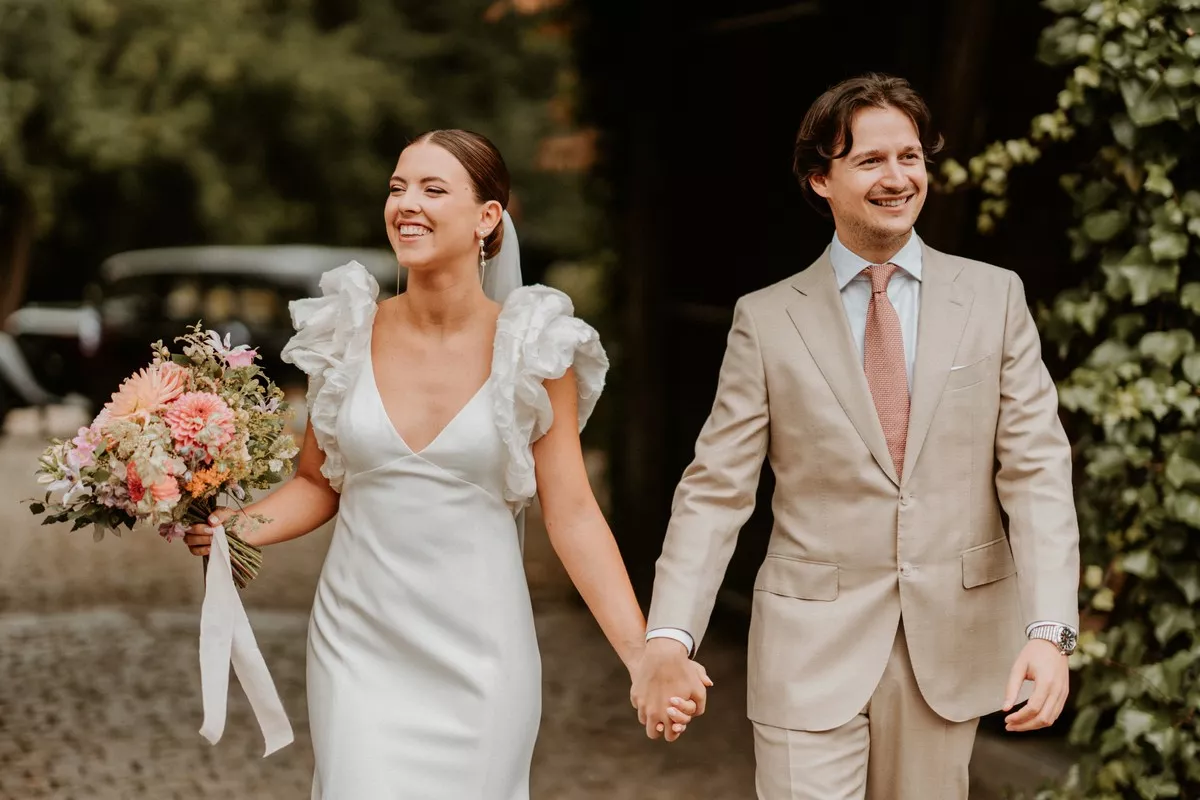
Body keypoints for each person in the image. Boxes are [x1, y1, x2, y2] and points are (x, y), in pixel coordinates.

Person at [184, 129, 710, 799]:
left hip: (483, 654)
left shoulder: (535, 349)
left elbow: (574, 513)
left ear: (487, 218)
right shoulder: (345, 335)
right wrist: (237, 528)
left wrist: (642, 655)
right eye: (398, 187)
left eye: (434, 189)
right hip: (359, 643)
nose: (408, 203)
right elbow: (317, 482)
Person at [629, 74, 1081, 799]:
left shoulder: (995, 297)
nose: (897, 178)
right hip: (806, 651)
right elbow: (716, 492)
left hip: (950, 646)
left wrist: (1050, 630)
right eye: (870, 160)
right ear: (821, 179)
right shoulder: (765, 319)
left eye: (910, 157)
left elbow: (1036, 473)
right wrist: (668, 638)